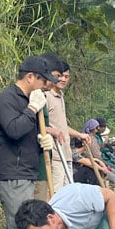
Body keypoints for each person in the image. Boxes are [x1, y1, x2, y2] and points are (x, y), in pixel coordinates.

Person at [0, 56, 58, 229]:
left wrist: (43, 144)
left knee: (15, 224)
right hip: (13, 172)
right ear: (30, 77)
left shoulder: (29, 101)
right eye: (42, 81)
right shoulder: (7, 99)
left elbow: (27, 136)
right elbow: (14, 129)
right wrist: (32, 108)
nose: (44, 86)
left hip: (26, 172)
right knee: (24, 226)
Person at [42, 54, 90, 192]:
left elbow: (62, 126)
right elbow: (43, 126)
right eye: (60, 76)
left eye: (66, 77)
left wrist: (80, 135)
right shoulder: (47, 96)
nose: (63, 79)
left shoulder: (60, 96)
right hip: (55, 156)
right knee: (56, 193)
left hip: (66, 153)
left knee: (68, 193)